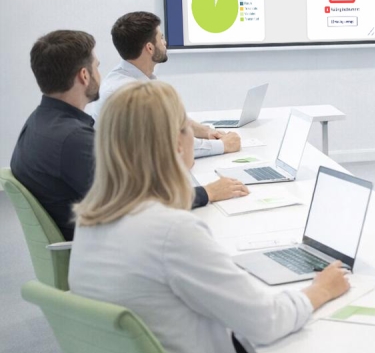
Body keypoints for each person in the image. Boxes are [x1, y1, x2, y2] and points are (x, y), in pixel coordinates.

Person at [68, 81, 366, 353]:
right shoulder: (172, 232)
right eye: (187, 128)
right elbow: (267, 322)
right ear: (177, 144)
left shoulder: (91, 221)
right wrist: (319, 290)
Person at [10, 31, 245, 241]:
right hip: (109, 252)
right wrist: (208, 192)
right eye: (96, 67)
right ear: (84, 76)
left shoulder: (38, 122)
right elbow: (137, 206)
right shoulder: (73, 140)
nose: (100, 74)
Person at [91, 11, 241, 158]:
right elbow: (170, 145)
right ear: (150, 48)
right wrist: (223, 145)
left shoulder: (129, 78)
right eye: (161, 38)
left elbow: (172, 118)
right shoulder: (129, 94)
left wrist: (206, 131)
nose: (165, 42)